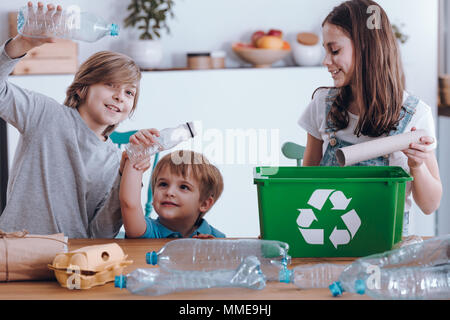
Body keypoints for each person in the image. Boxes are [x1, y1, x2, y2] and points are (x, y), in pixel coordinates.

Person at [0, 2, 155, 238]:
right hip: (16, 250)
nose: (119, 97)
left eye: (129, 93)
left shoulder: (113, 159)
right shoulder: (44, 114)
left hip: (71, 261)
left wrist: (125, 176)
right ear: (81, 89)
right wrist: (22, 44)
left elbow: (99, 233)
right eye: (110, 84)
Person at [298, 0, 442, 235]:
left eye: (334, 51)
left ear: (366, 49)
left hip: (387, 249)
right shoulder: (323, 105)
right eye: (326, 51)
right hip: (329, 241)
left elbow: (430, 205)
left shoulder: (415, 115)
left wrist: (417, 166)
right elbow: (306, 186)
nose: (326, 61)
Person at [119, 148, 225, 238]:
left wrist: (213, 250)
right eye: (163, 184)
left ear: (204, 204)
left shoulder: (217, 238)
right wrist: (136, 156)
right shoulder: (145, 230)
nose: (169, 192)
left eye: (184, 187)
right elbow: (129, 204)